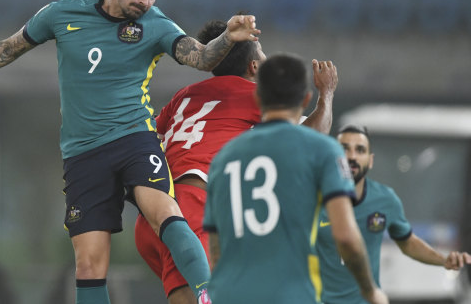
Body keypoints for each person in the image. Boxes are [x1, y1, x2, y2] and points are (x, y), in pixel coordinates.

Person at [0, 0, 261, 304]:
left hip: (134, 138)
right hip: (84, 153)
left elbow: (202, 57)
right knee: (89, 265)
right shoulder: (62, 14)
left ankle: (209, 295)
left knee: (164, 212)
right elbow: (8, 48)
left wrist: (226, 39)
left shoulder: (156, 25)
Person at [134, 18, 338, 304]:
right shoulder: (255, 96)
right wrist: (326, 96)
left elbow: (142, 140)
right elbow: (311, 139)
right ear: (254, 67)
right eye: (263, 54)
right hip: (194, 208)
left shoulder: (183, 97)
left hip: (154, 216)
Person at [202, 53, 388, 304]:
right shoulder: (323, 150)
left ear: (257, 98)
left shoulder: (223, 159)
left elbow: (216, 247)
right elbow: (345, 236)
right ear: (306, 99)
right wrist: (370, 291)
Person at [317, 124, 471, 304]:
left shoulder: (385, 199)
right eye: (344, 149)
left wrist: (443, 260)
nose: (352, 156)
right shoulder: (314, 199)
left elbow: (408, 242)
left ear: (370, 160)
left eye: (360, 150)